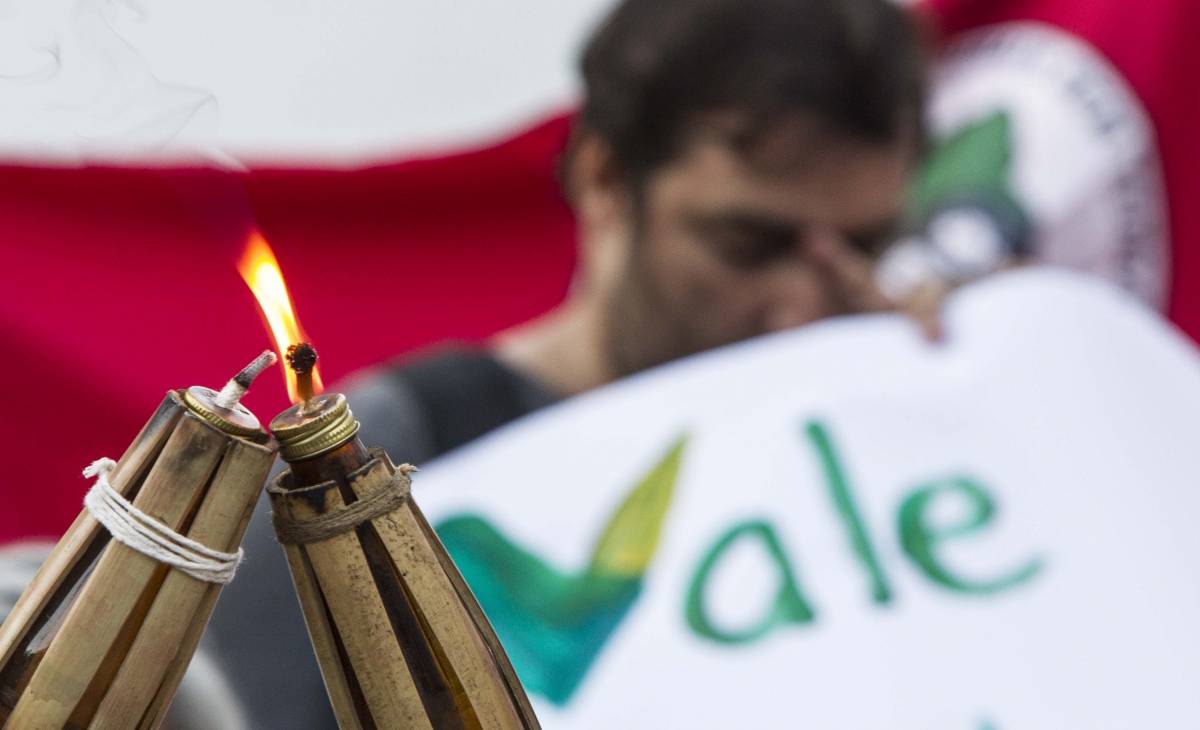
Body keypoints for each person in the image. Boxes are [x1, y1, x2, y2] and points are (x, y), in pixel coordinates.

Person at [206, 0, 927, 726]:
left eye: (863, 249)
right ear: (605, 179)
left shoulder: (910, 423)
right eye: (745, 243)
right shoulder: (384, 456)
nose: (799, 309)